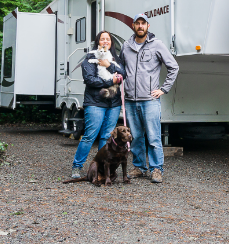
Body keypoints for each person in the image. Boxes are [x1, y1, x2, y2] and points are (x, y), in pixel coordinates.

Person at [120, 13, 179, 183]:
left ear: (148, 26)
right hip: (131, 100)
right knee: (136, 137)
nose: (140, 26)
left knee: (153, 137)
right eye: (137, 23)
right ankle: (139, 167)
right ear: (133, 26)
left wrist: (163, 89)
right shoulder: (126, 46)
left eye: (143, 23)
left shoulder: (157, 45)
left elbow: (173, 67)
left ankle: (156, 169)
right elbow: (122, 69)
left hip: (150, 100)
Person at [71, 31, 126, 178]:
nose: (105, 41)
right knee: (90, 135)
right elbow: (90, 79)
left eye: (108, 39)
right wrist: (110, 81)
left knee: (106, 137)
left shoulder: (115, 58)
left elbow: (123, 73)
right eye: (102, 39)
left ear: (111, 43)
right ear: (98, 42)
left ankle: (103, 167)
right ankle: (77, 166)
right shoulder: (90, 57)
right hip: (95, 102)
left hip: (113, 103)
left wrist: (109, 65)